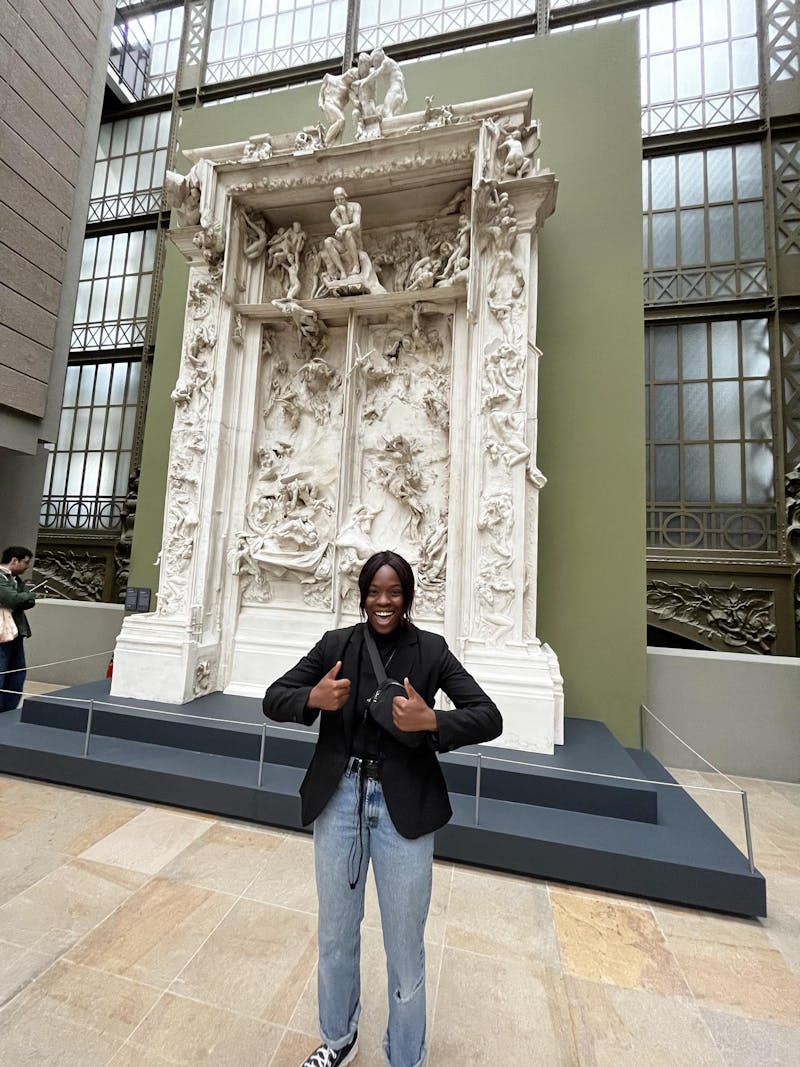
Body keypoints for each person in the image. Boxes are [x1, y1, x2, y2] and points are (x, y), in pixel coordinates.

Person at [263, 550, 502, 1067]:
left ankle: (405, 1056)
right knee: (336, 932)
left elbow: (489, 716)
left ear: (408, 596)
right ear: (362, 595)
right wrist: (313, 699)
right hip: (341, 798)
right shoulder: (338, 645)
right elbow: (273, 696)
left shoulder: (431, 651)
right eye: (374, 591)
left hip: (403, 808)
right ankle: (337, 1039)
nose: (383, 601)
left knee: (405, 945)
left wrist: (432, 722)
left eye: (393, 591)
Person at [0, 546, 36, 712]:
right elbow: (13, 599)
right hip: (2, 635)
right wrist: (26, 596)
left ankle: (8, 710)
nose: (27, 566)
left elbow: (26, 600)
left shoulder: (15, 580)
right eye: (26, 562)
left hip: (15, 633)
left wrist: (25, 597)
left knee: (17, 673)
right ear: (14, 560)